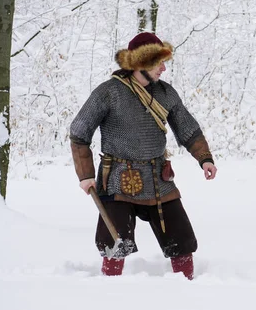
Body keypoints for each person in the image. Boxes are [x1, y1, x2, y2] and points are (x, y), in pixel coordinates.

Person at [69, 32, 217, 279]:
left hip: (158, 177)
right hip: (116, 179)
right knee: (114, 244)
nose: (163, 69)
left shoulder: (166, 93)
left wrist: (205, 158)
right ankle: (109, 295)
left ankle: (188, 293)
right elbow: (79, 133)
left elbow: (188, 128)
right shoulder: (108, 92)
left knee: (181, 240)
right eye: (159, 62)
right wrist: (85, 175)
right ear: (142, 63)